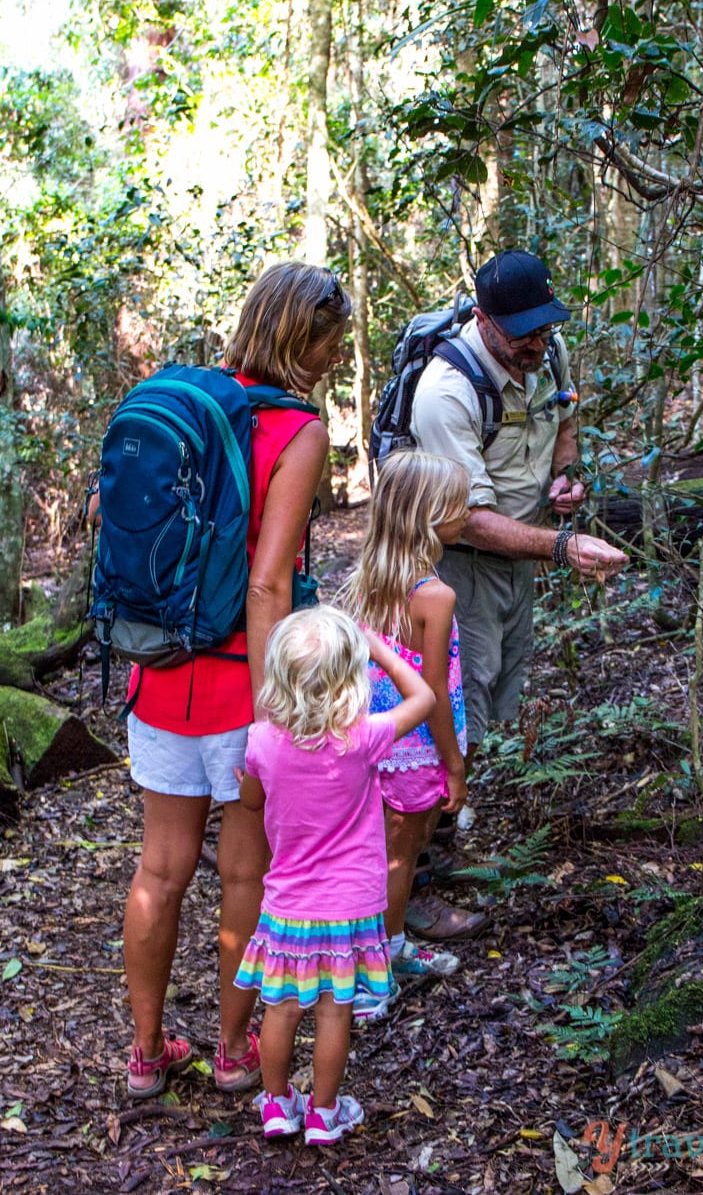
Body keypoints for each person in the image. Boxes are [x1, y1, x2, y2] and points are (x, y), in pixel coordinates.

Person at [121, 263, 351, 1099]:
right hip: (237, 686)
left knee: (159, 868)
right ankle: (229, 1051)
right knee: (245, 875)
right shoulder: (295, 429)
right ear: (304, 335)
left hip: (160, 674)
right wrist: (274, 712)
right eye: (331, 340)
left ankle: (146, 1055)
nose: (335, 356)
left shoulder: (188, 402)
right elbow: (268, 584)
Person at [409, 250, 629, 928]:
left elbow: (565, 418)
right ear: (483, 320)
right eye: (520, 335)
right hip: (459, 565)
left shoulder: (549, 352)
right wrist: (563, 548)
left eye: (543, 329)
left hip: (522, 556)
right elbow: (465, 519)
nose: (535, 344)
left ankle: (442, 853)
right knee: (452, 714)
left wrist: (566, 474)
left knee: (491, 701)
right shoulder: (446, 393)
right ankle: (414, 880)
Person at [234, 605, 434, 1144]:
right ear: (352, 676)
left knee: (280, 1008)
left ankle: (277, 1105)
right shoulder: (361, 738)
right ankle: (324, 1114)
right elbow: (425, 698)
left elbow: (251, 801)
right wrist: (383, 650)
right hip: (349, 907)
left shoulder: (261, 741)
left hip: (288, 906)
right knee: (332, 1013)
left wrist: (249, 778)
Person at [341, 449, 488, 1005]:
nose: (467, 514)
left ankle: (386, 946)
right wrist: (455, 764)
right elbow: (430, 697)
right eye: (458, 507)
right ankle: (374, 970)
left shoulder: (366, 583)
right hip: (416, 749)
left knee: (377, 851)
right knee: (400, 855)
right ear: (429, 518)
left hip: (369, 742)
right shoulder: (436, 597)